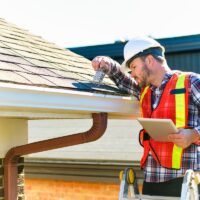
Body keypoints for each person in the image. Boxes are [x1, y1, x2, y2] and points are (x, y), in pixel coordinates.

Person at [91, 36, 200, 197]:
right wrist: (106, 63)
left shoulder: (191, 82)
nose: (132, 74)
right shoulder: (145, 91)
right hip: (152, 178)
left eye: (134, 67)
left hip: (184, 180)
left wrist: (193, 134)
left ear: (149, 60)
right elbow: (122, 79)